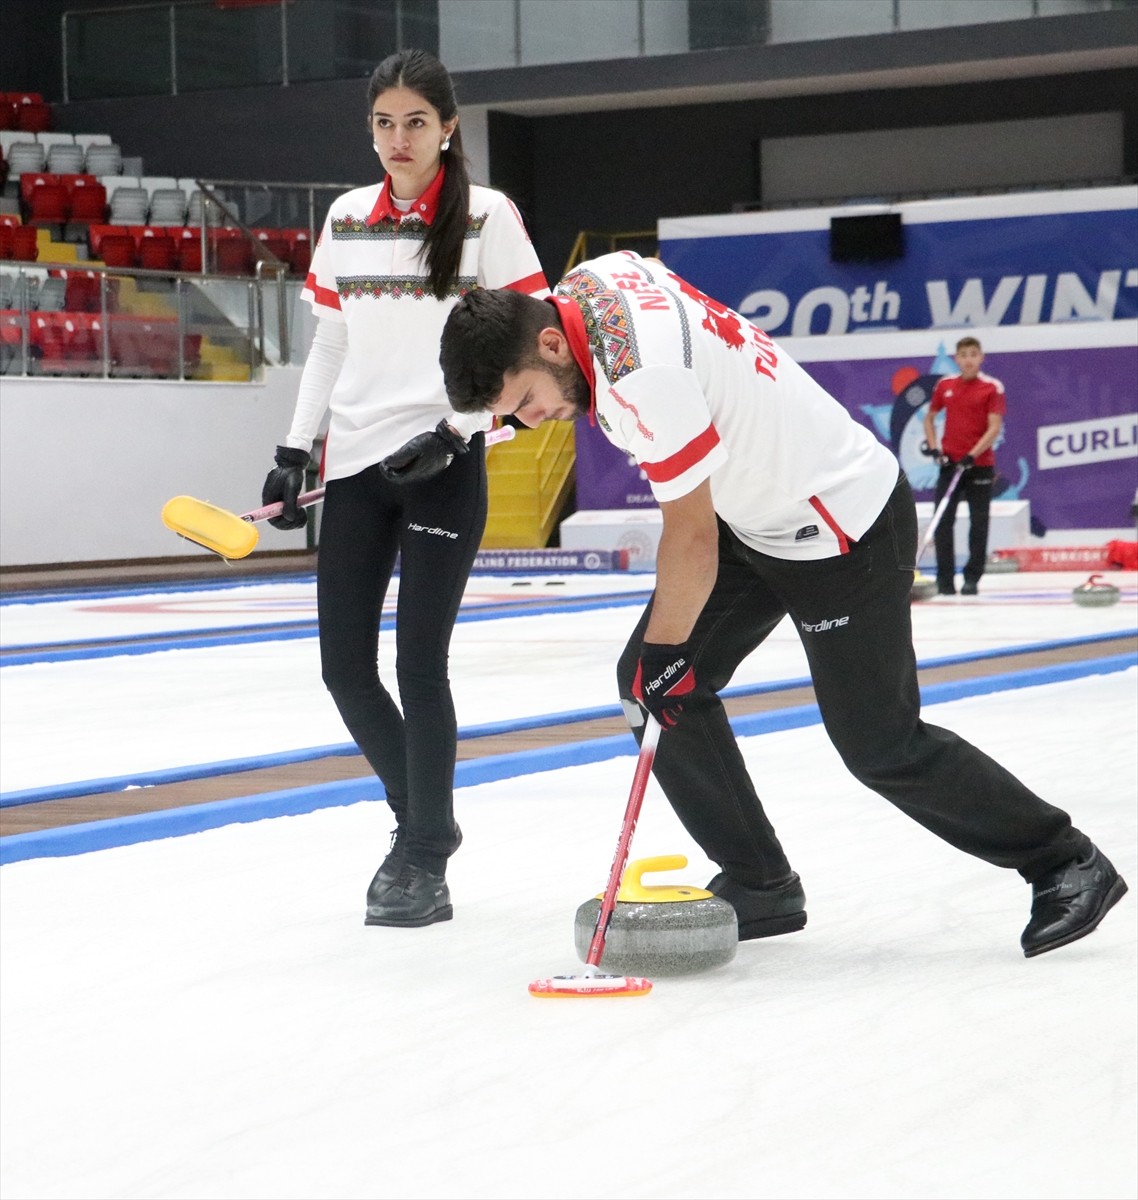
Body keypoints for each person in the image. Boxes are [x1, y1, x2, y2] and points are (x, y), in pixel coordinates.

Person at [437, 251, 1127, 958]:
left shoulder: (643, 379)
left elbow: (691, 534)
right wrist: (452, 436)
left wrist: (671, 651)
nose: (534, 421)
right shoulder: (588, 283)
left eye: (524, 403)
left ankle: (1064, 859)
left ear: (552, 344)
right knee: (648, 688)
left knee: (878, 743)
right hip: (758, 520)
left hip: (841, 527)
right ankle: (761, 883)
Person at [261, 49, 548, 929]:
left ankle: (422, 859)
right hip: (356, 469)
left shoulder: (490, 217)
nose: (397, 139)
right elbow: (333, 346)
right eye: (384, 123)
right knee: (344, 669)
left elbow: (531, 345)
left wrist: (461, 432)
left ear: (448, 127)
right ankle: (428, 821)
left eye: (415, 123)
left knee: (418, 668)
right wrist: (294, 446)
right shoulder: (347, 217)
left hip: (444, 466)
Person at [921, 336, 1005, 596]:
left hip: (979, 466)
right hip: (950, 466)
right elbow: (930, 418)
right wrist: (936, 449)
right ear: (956, 359)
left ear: (981, 357)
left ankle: (972, 578)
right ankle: (945, 580)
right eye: (964, 355)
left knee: (979, 524)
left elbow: (994, 428)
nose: (968, 359)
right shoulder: (944, 385)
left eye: (973, 354)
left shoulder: (992, 388)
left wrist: (972, 454)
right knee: (943, 522)